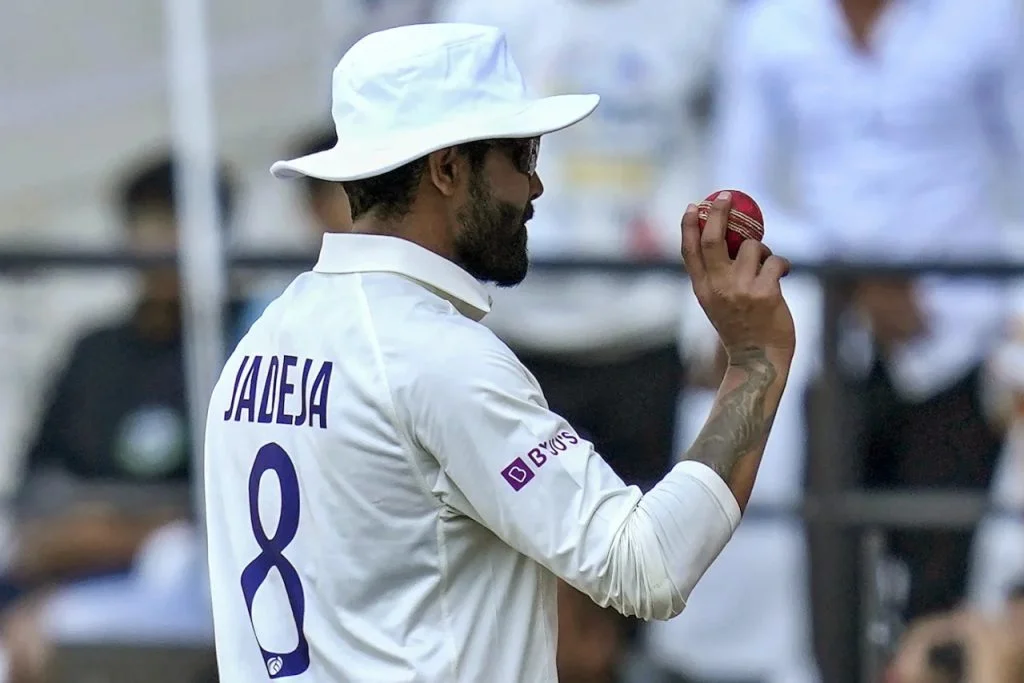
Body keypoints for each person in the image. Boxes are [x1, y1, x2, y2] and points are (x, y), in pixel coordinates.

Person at [204, 22, 796, 683]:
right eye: (522, 155)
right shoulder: (437, 354)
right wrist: (757, 363)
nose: (535, 187)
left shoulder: (259, 344)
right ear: (448, 169)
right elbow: (648, 563)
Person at [677, 1, 1024, 681]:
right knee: (828, 581)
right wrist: (853, 275)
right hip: (823, 337)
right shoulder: (772, 25)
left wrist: (1014, 328)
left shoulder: (987, 15)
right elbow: (735, 193)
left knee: (947, 587)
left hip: (964, 336)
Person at [0, 153, 240, 682]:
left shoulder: (240, 343)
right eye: (152, 227)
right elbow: (40, 481)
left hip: (173, 571)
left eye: (180, 228)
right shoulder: (95, 351)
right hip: (64, 564)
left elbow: (234, 504)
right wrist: (60, 546)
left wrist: (119, 533)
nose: (165, 247)